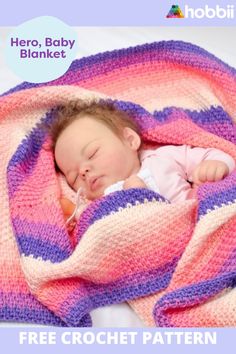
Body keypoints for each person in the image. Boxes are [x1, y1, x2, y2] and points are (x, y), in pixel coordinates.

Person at [49, 100, 235, 211]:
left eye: (92, 153)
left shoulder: (162, 158)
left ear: (130, 140)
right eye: (73, 177)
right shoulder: (97, 205)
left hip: (195, 225)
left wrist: (215, 165)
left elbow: (217, 156)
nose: (83, 171)